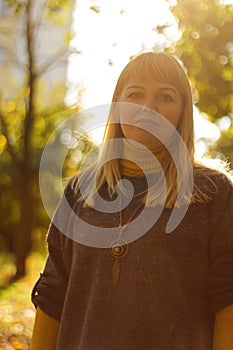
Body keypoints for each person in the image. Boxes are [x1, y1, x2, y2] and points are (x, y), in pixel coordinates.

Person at [30, 51, 233, 350]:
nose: (147, 108)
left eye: (165, 97)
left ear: (183, 111)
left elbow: (227, 298)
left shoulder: (213, 193)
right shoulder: (80, 191)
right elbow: (51, 296)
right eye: (135, 94)